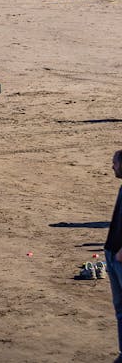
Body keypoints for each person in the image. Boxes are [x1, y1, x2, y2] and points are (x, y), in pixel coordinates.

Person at [105, 150, 122, 362]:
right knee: (119, 310)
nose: (112, 167)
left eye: (115, 163)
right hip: (112, 253)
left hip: (119, 257)